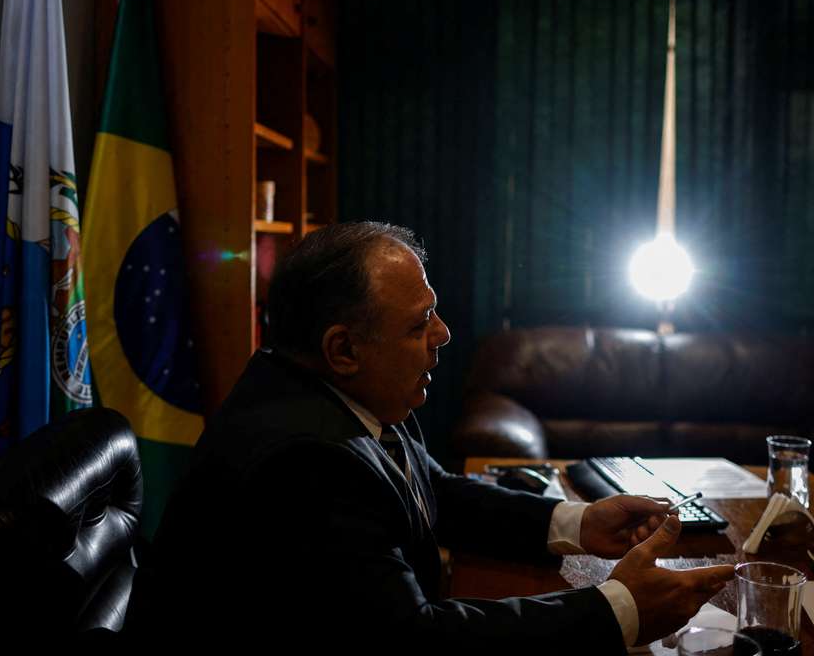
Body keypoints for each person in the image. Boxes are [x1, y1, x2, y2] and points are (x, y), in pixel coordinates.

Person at [124, 222, 733, 653]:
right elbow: (412, 640)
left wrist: (577, 523)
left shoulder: (347, 390)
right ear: (344, 348)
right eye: (419, 323)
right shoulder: (303, 462)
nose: (442, 334)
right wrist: (620, 610)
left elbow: (431, 492)